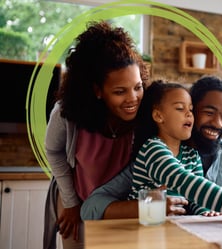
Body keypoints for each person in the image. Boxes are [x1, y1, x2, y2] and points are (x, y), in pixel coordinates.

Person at [43, 21, 187, 249]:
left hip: (121, 204)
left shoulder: (148, 109)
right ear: (97, 91)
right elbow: (53, 150)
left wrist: (220, 140)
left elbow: (181, 120)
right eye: (120, 91)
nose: (133, 99)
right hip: (76, 200)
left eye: (138, 87)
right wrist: (70, 203)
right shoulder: (67, 112)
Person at [127, 80, 222, 221]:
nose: (189, 115)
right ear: (158, 116)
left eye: (190, 109)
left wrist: (205, 212)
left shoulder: (191, 155)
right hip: (143, 226)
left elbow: (195, 199)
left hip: (174, 228)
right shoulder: (153, 150)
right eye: (180, 108)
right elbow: (188, 183)